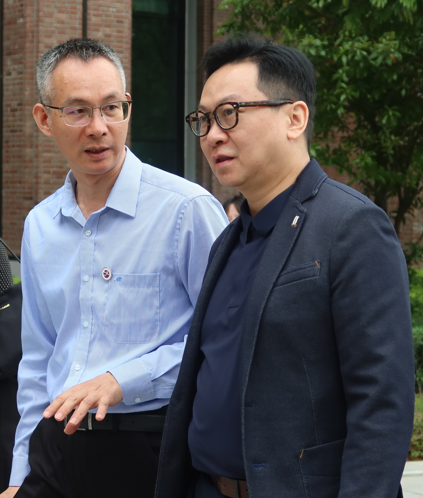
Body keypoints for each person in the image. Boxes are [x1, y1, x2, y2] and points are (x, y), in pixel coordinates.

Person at [154, 36, 415, 498]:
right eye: (204, 120)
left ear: (295, 118)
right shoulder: (228, 240)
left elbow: (382, 404)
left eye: (230, 113)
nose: (213, 135)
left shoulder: (351, 226)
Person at [1, 38, 227, 498]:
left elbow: (225, 341)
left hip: (150, 448)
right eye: (78, 111)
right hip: (54, 454)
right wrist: (20, 474)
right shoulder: (40, 224)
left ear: (128, 108)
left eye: (111, 108)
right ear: (44, 119)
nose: (99, 128)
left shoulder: (186, 210)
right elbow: (38, 361)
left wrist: (123, 381)